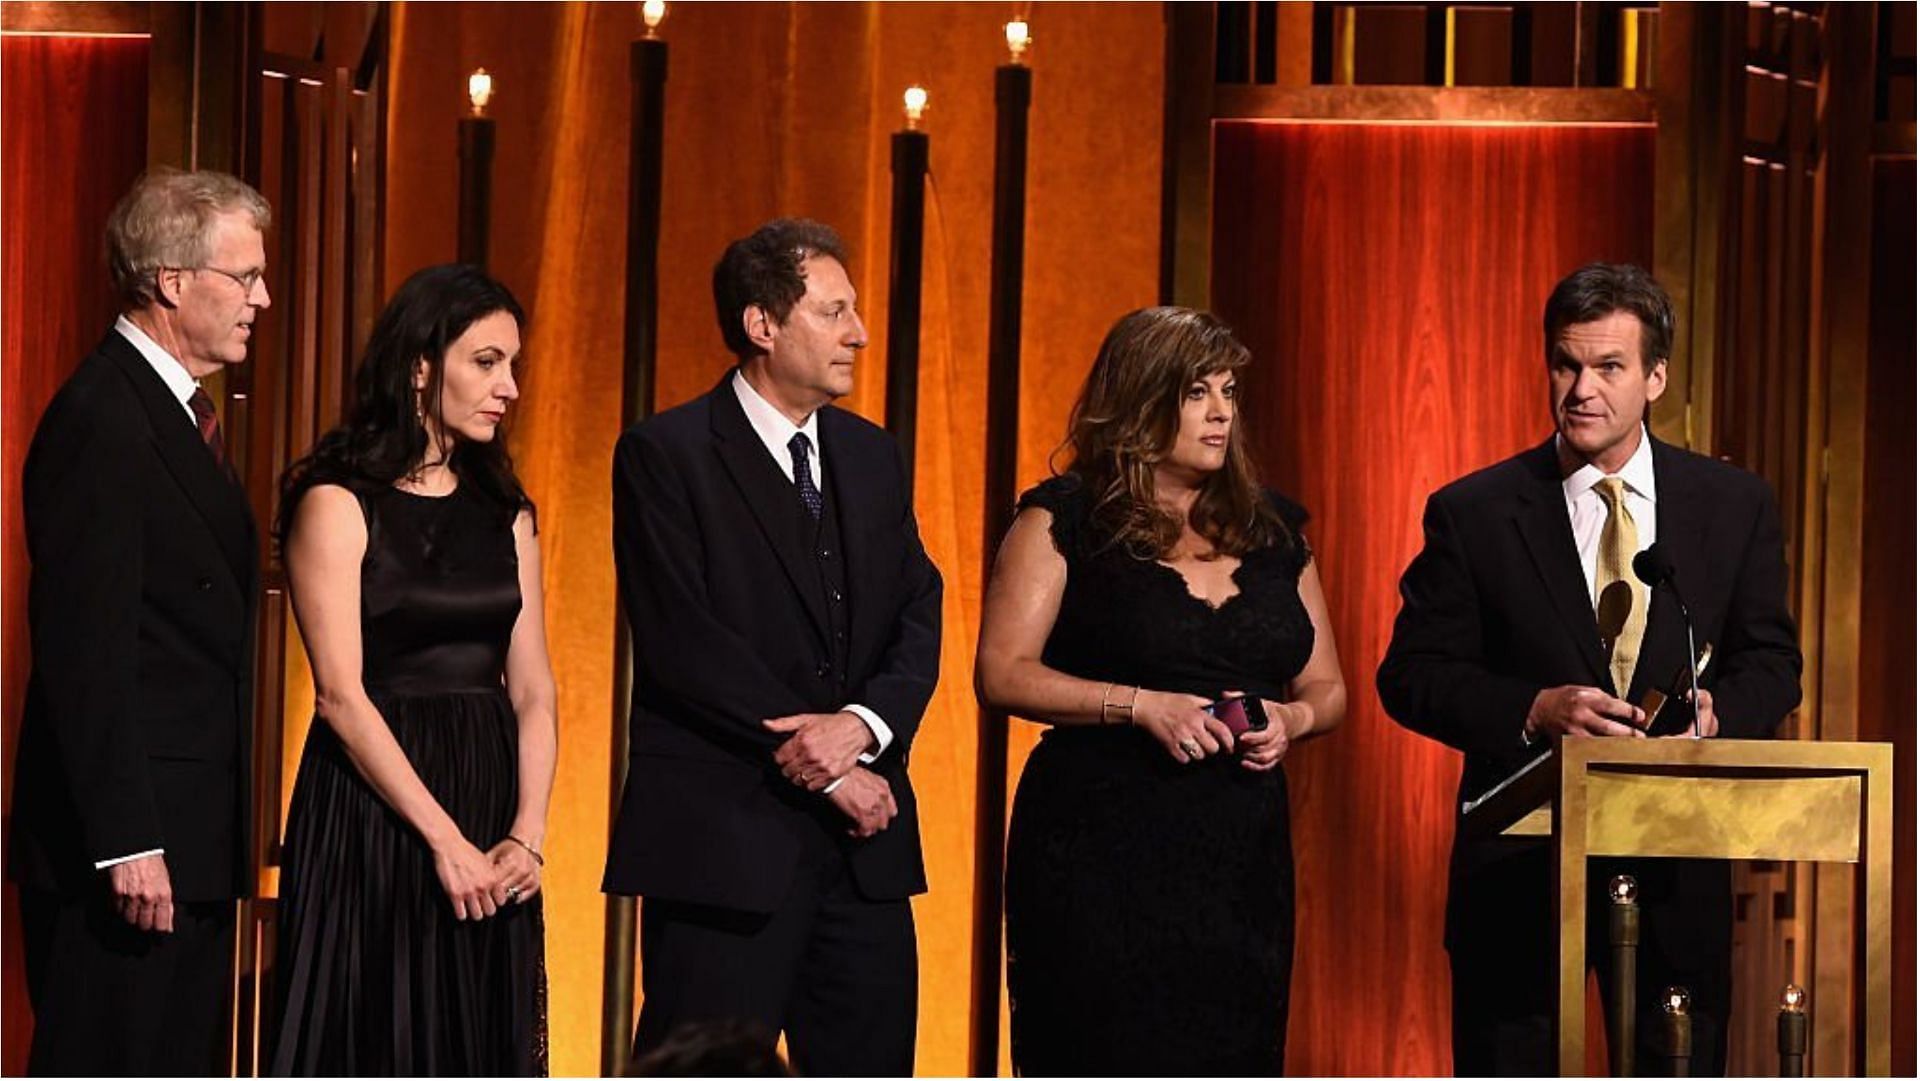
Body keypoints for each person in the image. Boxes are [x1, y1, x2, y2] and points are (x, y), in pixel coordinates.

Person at [1376, 263, 1802, 1075]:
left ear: (1656, 377)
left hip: (1679, 866)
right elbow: (1411, 673)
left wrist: (1717, 713)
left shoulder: (1732, 503)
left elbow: (1774, 661)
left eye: (1608, 367)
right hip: (1520, 879)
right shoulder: (1474, 511)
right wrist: (1534, 708)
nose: (1581, 389)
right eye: (1565, 365)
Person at [602, 218, 941, 1075]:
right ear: (763, 325)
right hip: (725, 851)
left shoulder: (872, 456)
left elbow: (918, 606)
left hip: (865, 855)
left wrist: (863, 725)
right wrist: (823, 763)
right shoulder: (665, 454)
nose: (858, 333)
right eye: (834, 312)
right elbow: (683, 641)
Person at [975, 305, 1347, 1074]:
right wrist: (1142, 705)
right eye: (1196, 392)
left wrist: (1292, 716)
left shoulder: (1275, 530)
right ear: (1143, 399)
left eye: (1230, 392)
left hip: (1240, 856)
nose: (1220, 412)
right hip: (1097, 845)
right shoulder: (1066, 518)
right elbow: (1003, 671)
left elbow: (1329, 685)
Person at [10, 168, 270, 1075]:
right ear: (171, 280)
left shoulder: (170, 411)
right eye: (244, 278)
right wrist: (128, 839)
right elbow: (88, 650)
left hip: (186, 836)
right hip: (127, 852)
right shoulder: (104, 417)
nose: (261, 299)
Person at [266, 264, 556, 1075]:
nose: (509, 386)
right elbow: (338, 695)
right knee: (377, 1034)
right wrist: (444, 840)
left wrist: (523, 837)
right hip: (378, 811)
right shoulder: (337, 500)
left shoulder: (508, 511)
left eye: (513, 366)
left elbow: (533, 687)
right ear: (422, 366)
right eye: (487, 361)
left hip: (489, 799)